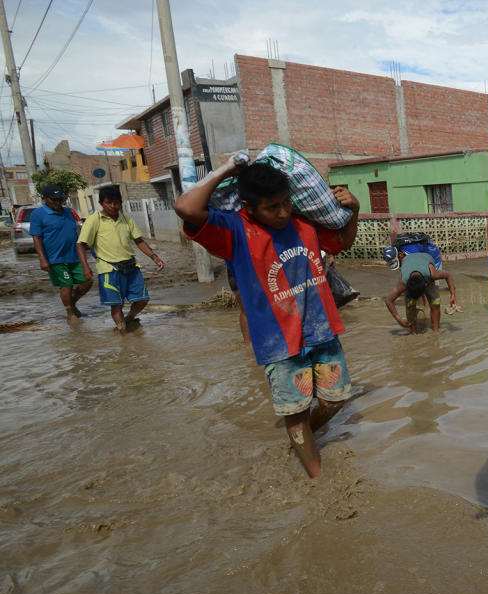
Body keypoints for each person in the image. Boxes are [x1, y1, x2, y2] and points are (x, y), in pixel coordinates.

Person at [174, 158, 360, 479]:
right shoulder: (235, 230)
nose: (283, 213)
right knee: (295, 412)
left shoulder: (305, 224)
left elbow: (342, 242)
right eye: (272, 207)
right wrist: (225, 171)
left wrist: (354, 210)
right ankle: (315, 477)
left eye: (286, 202)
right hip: (279, 343)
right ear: (249, 207)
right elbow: (186, 208)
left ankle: (303, 442)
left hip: (322, 331)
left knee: (335, 401)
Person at [78, 186, 164, 333]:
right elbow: (81, 244)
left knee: (142, 299)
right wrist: (85, 267)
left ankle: (129, 319)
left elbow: (139, 241)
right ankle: (123, 334)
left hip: (131, 267)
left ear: (121, 203)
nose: (113, 206)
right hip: (109, 269)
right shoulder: (94, 221)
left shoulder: (126, 219)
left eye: (116, 203)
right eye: (108, 203)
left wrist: (154, 257)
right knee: (116, 305)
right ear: (101, 203)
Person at [30, 184, 90, 320]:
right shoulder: (38, 214)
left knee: (88, 280)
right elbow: (36, 238)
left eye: (60, 199)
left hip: (74, 256)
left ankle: (72, 303)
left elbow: (77, 232)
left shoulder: (68, 212)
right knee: (66, 285)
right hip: (55, 258)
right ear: (45, 199)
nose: (58, 202)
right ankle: (70, 314)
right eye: (54, 200)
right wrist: (42, 259)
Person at [384, 247, 457, 333]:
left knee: (435, 304)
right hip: (412, 270)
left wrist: (453, 296)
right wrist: (399, 319)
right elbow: (388, 300)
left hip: (425, 260)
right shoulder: (404, 282)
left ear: (426, 284)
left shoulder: (433, 274)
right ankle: (414, 332)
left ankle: (436, 331)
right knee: (410, 304)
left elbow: (448, 275)